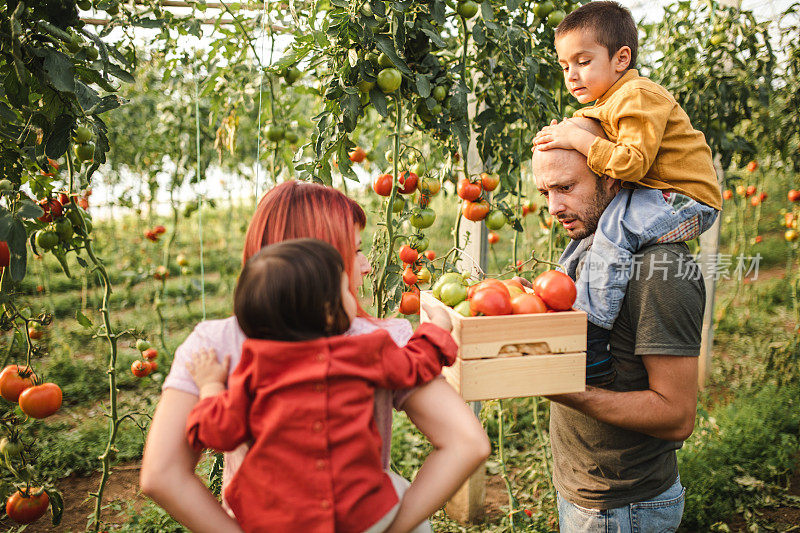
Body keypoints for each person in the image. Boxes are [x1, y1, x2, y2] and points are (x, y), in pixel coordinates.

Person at [140, 181, 490, 533]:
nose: (366, 266)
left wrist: (212, 387)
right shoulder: (376, 342)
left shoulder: (214, 346)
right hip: (361, 516)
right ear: (319, 268)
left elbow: (161, 474)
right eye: (354, 252)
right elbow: (467, 443)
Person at [185, 239, 459, 533]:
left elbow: (219, 432)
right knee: (403, 498)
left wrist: (211, 385)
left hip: (278, 519)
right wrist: (437, 328)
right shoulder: (365, 351)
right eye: (346, 290)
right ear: (330, 312)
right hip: (360, 511)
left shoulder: (253, 371)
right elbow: (415, 365)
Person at [532, 1, 721, 385]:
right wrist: (568, 131)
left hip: (684, 197)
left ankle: (594, 332)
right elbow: (596, 134)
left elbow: (631, 163)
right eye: (565, 66)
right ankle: (558, 295)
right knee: (595, 238)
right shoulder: (609, 102)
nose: (571, 75)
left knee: (614, 235)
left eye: (582, 61)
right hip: (657, 193)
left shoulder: (637, 95)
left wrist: (575, 138)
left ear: (621, 58)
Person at [530, 117, 704, 531]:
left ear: (613, 178)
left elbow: (677, 415)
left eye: (566, 188)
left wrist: (562, 388)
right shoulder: (597, 250)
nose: (553, 208)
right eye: (546, 192)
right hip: (588, 491)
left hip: (623, 508)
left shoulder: (660, 269)